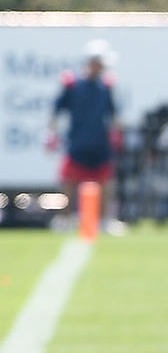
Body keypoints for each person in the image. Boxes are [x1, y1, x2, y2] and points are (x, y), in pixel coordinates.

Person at [48, 39, 119, 227]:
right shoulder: (73, 85)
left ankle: (105, 221)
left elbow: (113, 114)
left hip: (99, 142)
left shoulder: (105, 87)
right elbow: (56, 110)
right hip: (77, 141)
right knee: (69, 182)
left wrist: (116, 135)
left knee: (105, 182)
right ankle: (64, 219)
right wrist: (52, 135)